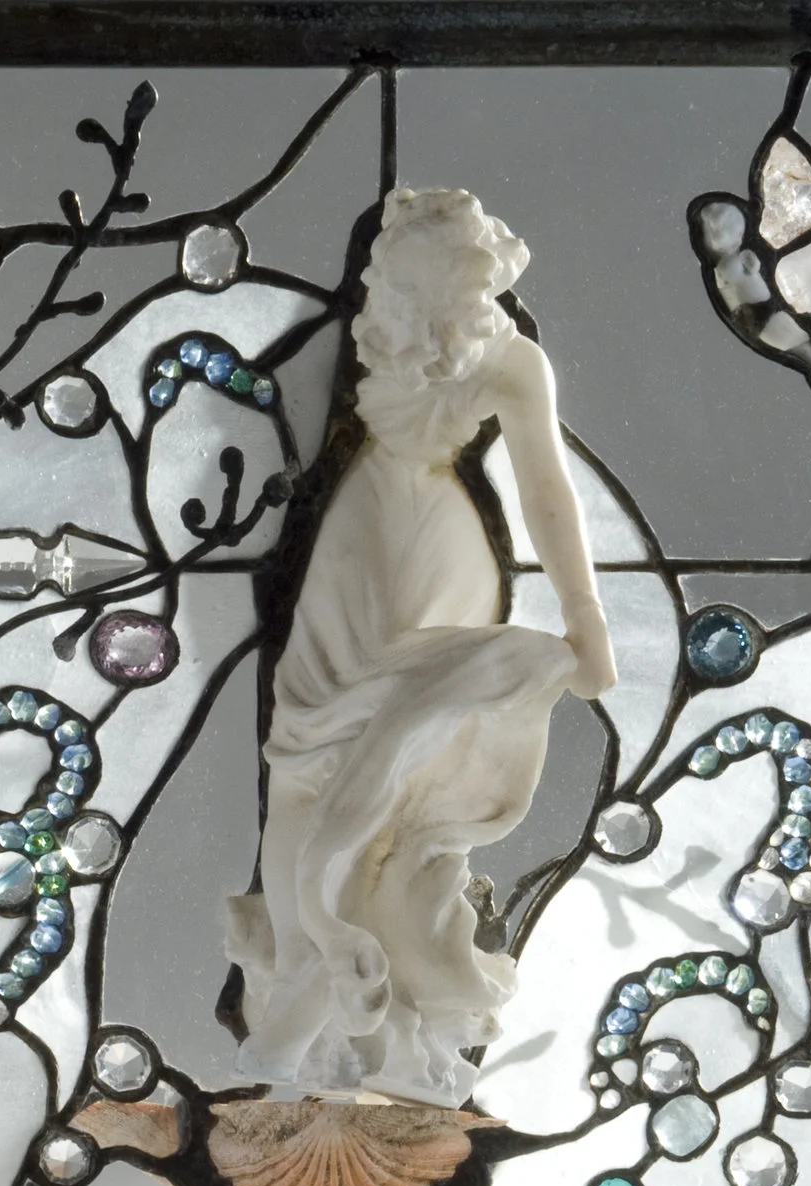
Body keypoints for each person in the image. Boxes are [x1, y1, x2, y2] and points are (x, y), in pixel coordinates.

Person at [224, 188, 616, 1110]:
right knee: (307, 760)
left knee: (407, 769)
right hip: (354, 545)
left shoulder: (509, 361)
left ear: (480, 280)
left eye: (454, 271)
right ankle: (308, 983)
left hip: (443, 551)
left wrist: (585, 614)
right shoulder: (360, 333)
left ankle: (381, 1011)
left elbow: (547, 492)